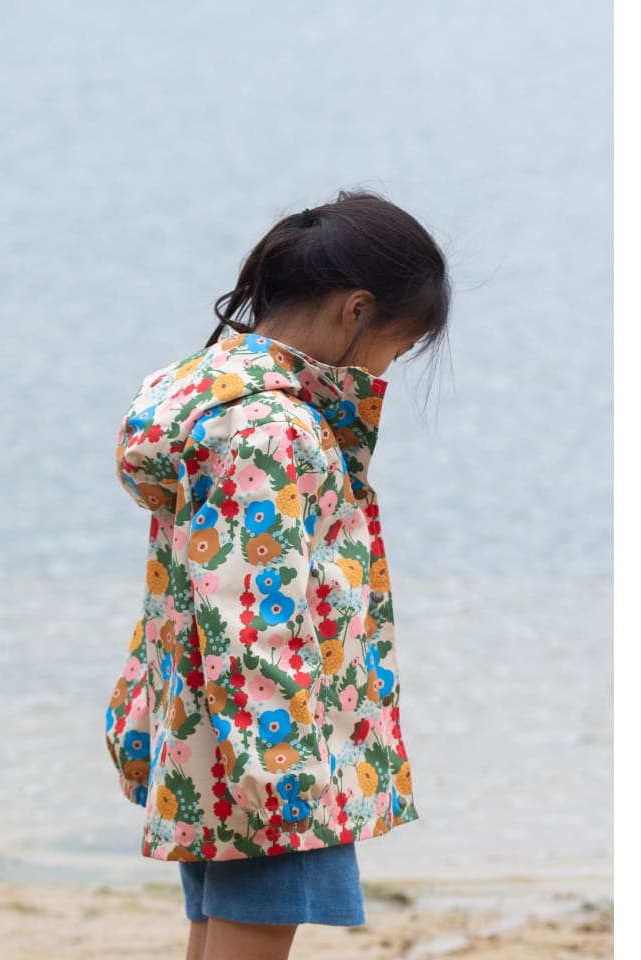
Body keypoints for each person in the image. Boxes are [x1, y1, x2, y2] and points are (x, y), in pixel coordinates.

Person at [105, 188, 451, 960]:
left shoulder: (216, 405)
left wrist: (139, 710)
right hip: (269, 754)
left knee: (219, 932)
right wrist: (283, 773)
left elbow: (179, 592)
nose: (386, 373)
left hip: (215, 747)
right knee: (250, 934)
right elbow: (251, 614)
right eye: (396, 350)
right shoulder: (272, 430)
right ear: (355, 311)